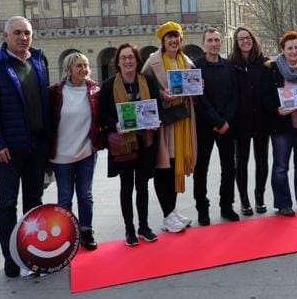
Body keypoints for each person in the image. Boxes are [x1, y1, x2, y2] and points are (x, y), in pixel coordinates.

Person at [0, 16, 50, 277]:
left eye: (27, 32)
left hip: (37, 146)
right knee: (7, 203)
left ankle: (31, 252)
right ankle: (10, 256)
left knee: (34, 201)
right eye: (17, 32)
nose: (22, 37)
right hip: (8, 150)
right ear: (5, 36)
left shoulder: (39, 60)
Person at [99, 43, 161, 246]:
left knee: (142, 186)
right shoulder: (108, 85)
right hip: (124, 145)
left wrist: (154, 121)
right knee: (126, 187)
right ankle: (129, 229)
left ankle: (144, 226)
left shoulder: (148, 82)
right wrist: (115, 124)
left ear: (136, 60)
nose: (127, 61)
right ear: (117, 62)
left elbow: (156, 107)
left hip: (145, 142)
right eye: (123, 58)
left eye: (131, 57)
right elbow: (102, 115)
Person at [141, 22, 197, 232]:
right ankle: (166, 214)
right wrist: (161, 95)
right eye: (169, 37)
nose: (173, 40)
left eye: (176, 37)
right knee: (164, 167)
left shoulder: (187, 61)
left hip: (183, 120)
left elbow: (192, 90)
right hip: (165, 123)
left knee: (175, 166)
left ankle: (171, 211)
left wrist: (197, 88)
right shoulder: (152, 62)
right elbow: (143, 88)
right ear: (163, 41)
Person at [262, 30, 297, 216]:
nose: (294, 51)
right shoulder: (271, 69)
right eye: (289, 48)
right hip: (281, 126)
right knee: (280, 167)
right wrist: (276, 109)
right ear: (283, 49)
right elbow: (265, 98)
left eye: (296, 47)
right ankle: (283, 203)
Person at [48, 52, 101, 250]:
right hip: (61, 155)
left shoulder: (95, 89)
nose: (83, 69)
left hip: (86, 151)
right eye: (78, 66)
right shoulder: (55, 92)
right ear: (68, 69)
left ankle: (86, 230)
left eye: (86, 65)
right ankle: (67, 233)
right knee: (65, 197)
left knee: (85, 195)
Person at [193, 28, 239, 225]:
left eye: (217, 40)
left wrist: (225, 121)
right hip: (205, 126)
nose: (214, 43)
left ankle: (227, 206)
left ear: (221, 43)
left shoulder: (229, 66)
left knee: (229, 167)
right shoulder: (195, 66)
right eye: (210, 40)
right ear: (204, 43)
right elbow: (199, 99)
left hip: (227, 126)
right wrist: (216, 122)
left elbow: (235, 95)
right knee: (200, 168)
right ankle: (202, 209)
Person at [229, 26, 270, 216]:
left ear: (253, 40)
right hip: (241, 121)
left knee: (261, 160)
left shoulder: (264, 62)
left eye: (247, 38)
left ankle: (259, 197)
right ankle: (244, 200)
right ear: (236, 43)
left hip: (262, 120)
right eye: (240, 39)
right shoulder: (231, 64)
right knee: (241, 162)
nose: (245, 41)